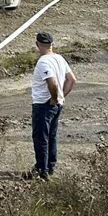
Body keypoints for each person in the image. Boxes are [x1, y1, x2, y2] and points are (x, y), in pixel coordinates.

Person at [29, 31, 76, 179]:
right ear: (51, 45)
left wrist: (55, 98)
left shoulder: (43, 62)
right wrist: (61, 97)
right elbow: (71, 80)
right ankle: (50, 167)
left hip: (44, 104)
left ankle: (41, 170)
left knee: (41, 138)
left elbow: (53, 82)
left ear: (37, 45)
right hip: (56, 105)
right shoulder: (60, 58)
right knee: (51, 136)